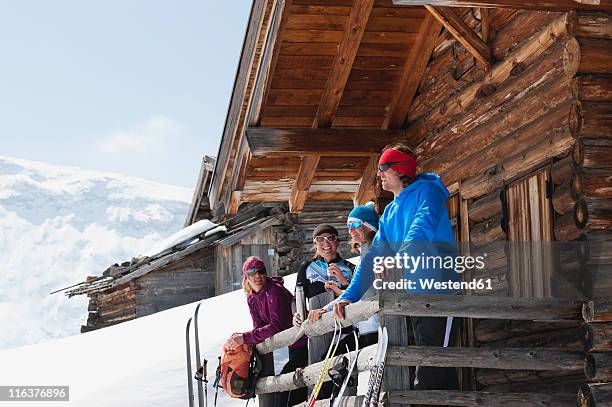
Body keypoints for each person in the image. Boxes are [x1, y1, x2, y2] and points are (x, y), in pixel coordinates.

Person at [311, 143, 461, 393]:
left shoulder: (428, 193)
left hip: (440, 294)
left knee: (434, 370)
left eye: (383, 168)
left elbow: (420, 230)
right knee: (428, 371)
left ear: (400, 170)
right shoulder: (390, 212)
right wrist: (347, 297)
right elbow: (371, 260)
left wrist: (398, 258)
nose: (379, 174)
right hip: (414, 298)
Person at [225, 256, 307, 406]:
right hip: (288, 348)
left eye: (261, 271)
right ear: (246, 277)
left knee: (288, 391)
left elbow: (276, 326)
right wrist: (243, 339)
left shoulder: (275, 291)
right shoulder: (251, 298)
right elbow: (259, 326)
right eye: (252, 272)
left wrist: (245, 338)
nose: (257, 276)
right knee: (285, 392)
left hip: (303, 343)